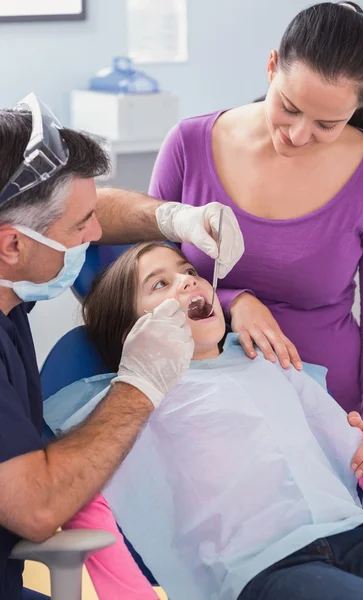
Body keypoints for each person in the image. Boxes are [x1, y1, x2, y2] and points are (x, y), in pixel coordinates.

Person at [43, 242, 363, 600]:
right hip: (262, 568)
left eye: (189, 272)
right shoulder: (128, 408)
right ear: (132, 337)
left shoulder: (272, 365)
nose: (186, 282)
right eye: (159, 284)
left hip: (358, 534)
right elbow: (86, 503)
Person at [134, 1, 363, 482]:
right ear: (272, 65)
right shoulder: (189, 145)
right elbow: (145, 273)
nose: (299, 135)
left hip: (328, 419)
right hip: (200, 413)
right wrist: (234, 301)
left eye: (327, 124)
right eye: (290, 108)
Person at [0, 94, 244, 600]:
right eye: (79, 227)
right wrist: (139, 385)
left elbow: (84, 209)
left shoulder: (10, 284)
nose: (96, 235)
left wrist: (177, 220)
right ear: (13, 245)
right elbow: (38, 509)